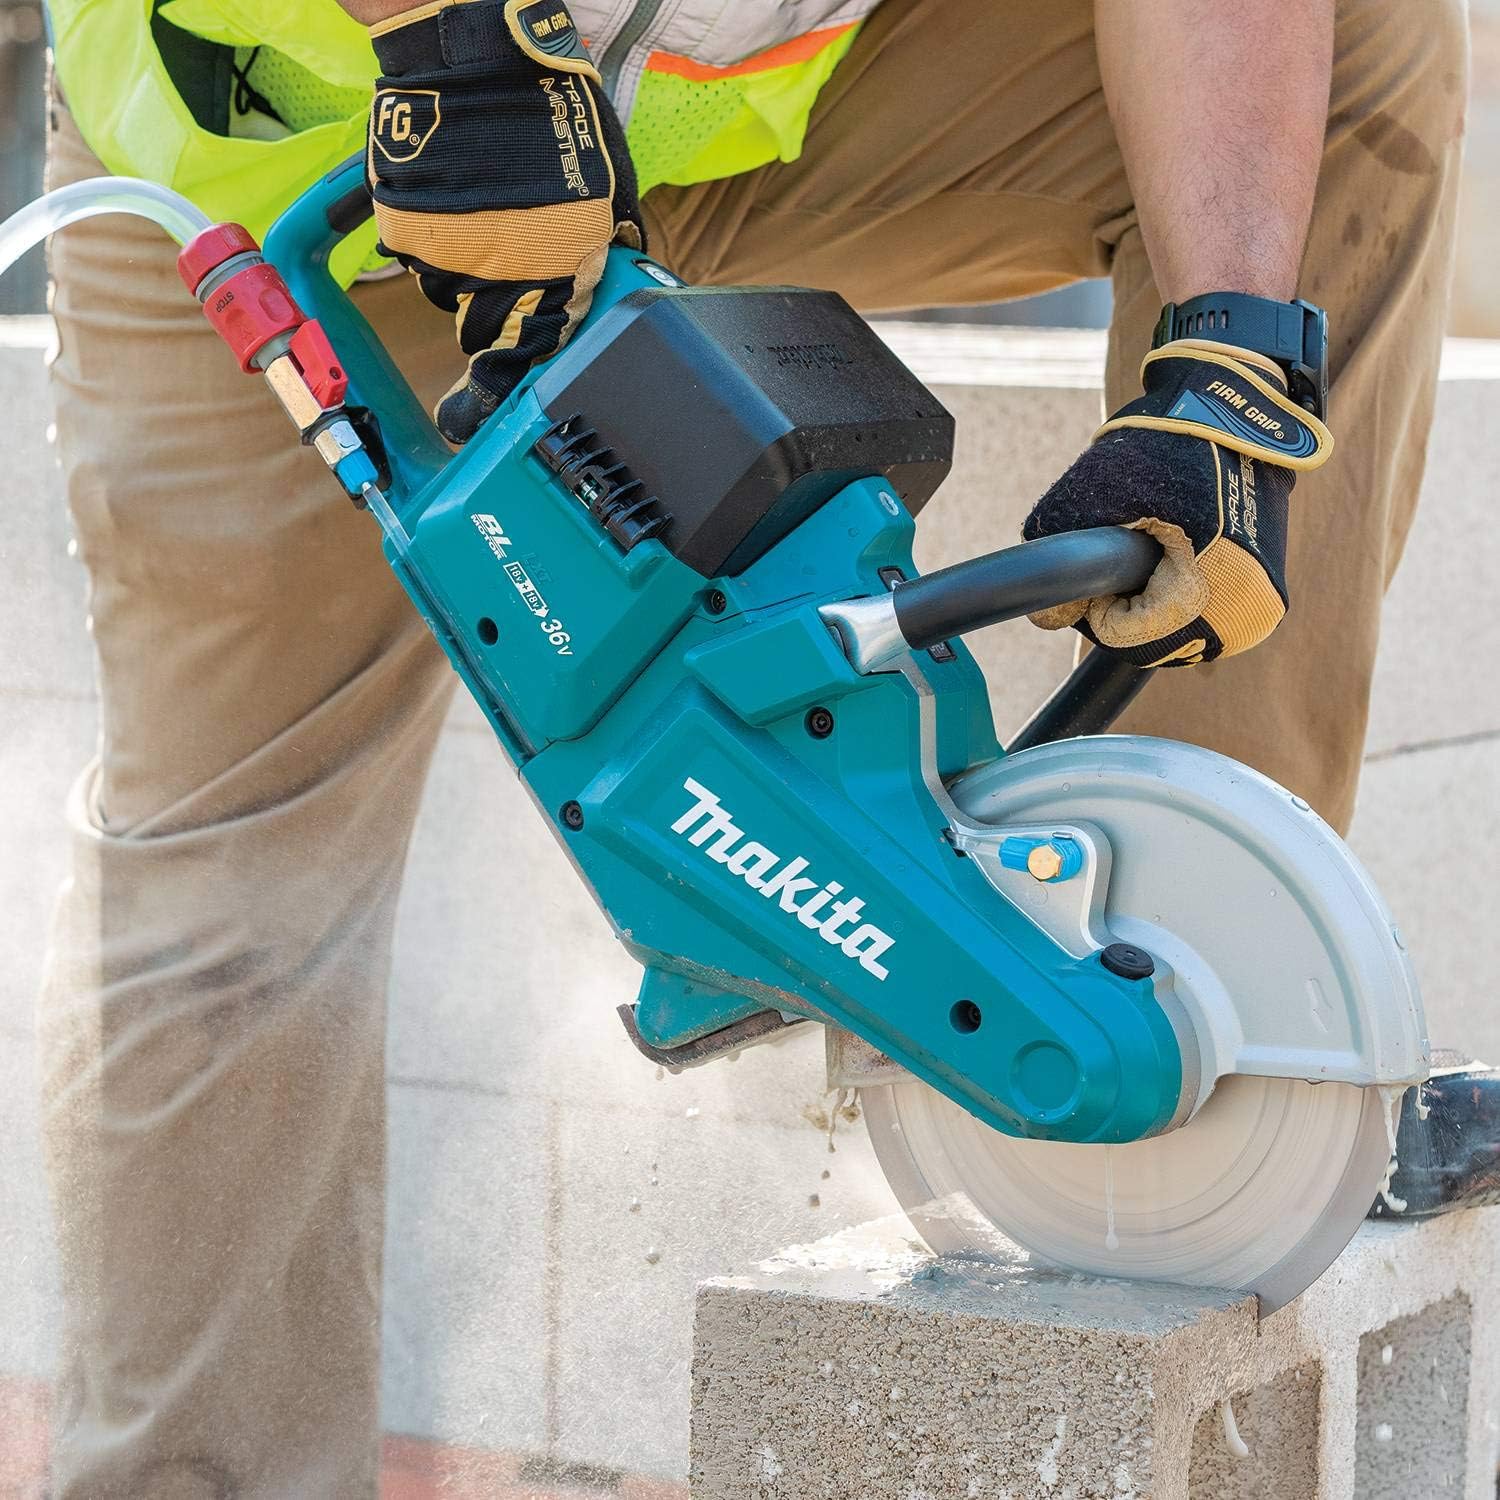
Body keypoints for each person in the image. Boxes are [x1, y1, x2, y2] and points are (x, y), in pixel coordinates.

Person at [35, 0, 1474, 1492]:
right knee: (236, 886)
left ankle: (1203, 1001)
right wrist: (453, 39)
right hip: (288, 162)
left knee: (1366, 52)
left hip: (736, 123)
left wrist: (1231, 344)